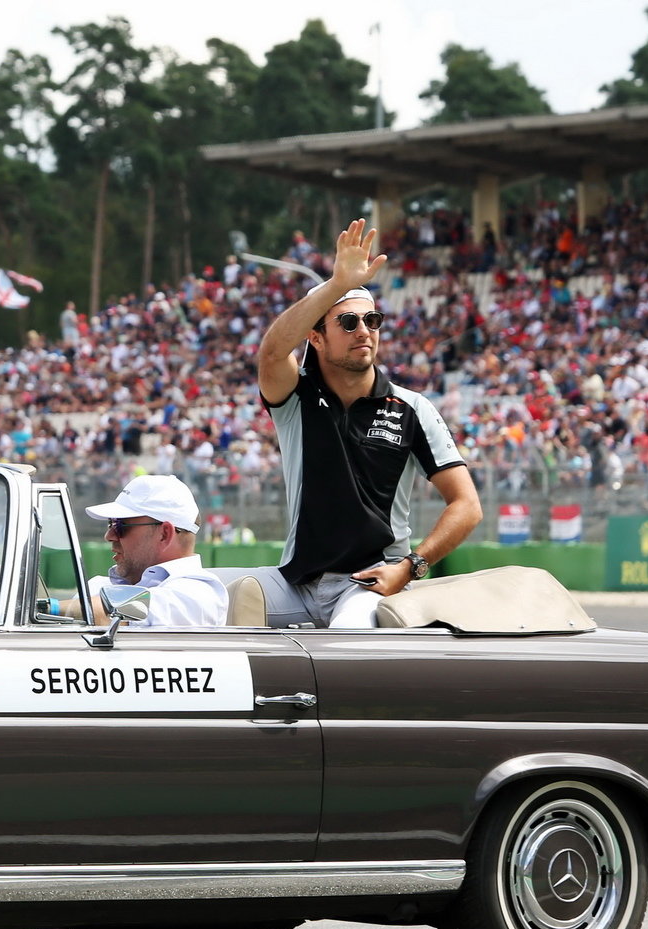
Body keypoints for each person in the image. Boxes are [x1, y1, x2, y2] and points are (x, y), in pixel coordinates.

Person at [254, 219, 482, 628]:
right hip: (294, 582)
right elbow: (272, 352)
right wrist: (337, 284)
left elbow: (466, 505)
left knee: (348, 639)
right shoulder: (295, 395)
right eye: (348, 322)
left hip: (371, 583)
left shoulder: (413, 407)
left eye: (372, 321)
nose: (365, 330)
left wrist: (412, 566)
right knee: (203, 601)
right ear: (317, 338)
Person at [82, 474, 227, 628]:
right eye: (111, 523)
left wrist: (56, 608)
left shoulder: (197, 594)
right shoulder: (98, 585)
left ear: (164, 534)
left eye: (120, 525)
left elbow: (117, 614)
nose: (109, 536)